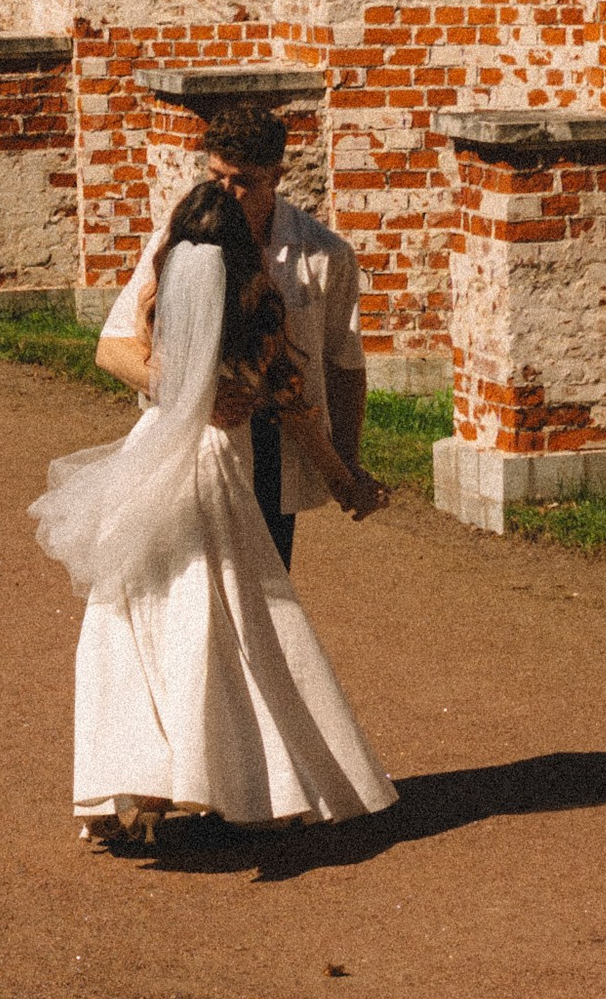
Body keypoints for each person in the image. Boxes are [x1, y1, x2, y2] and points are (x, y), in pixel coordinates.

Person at [32, 178, 395, 849]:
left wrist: (181, 390)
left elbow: (134, 360)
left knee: (132, 617)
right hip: (218, 471)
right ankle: (249, 779)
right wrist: (347, 481)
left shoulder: (158, 298)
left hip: (151, 461)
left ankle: (133, 779)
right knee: (232, 623)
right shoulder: (261, 314)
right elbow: (297, 414)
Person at [94, 101, 375, 567]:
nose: (226, 192)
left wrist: (346, 464)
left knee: (262, 590)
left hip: (271, 452)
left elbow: (343, 365)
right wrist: (199, 395)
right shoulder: (181, 238)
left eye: (242, 182)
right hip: (186, 444)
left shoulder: (325, 255)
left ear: (277, 176)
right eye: (216, 176)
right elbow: (112, 347)